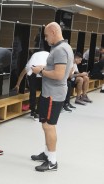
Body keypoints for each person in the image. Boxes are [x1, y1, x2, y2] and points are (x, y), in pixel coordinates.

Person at [31, 22, 73, 172]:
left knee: (48, 126)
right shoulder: (65, 47)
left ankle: (52, 161)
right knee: (46, 125)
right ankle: (47, 153)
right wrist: (45, 69)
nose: (46, 38)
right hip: (52, 93)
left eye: (47, 35)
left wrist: (40, 71)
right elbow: (68, 74)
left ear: (54, 31)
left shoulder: (60, 50)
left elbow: (59, 74)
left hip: (52, 95)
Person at [14, 50, 49, 120]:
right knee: (42, 92)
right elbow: (23, 74)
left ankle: (34, 111)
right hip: (39, 70)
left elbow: (22, 74)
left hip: (41, 70)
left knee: (33, 91)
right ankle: (36, 111)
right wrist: (17, 85)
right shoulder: (30, 64)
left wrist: (18, 85)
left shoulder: (31, 63)